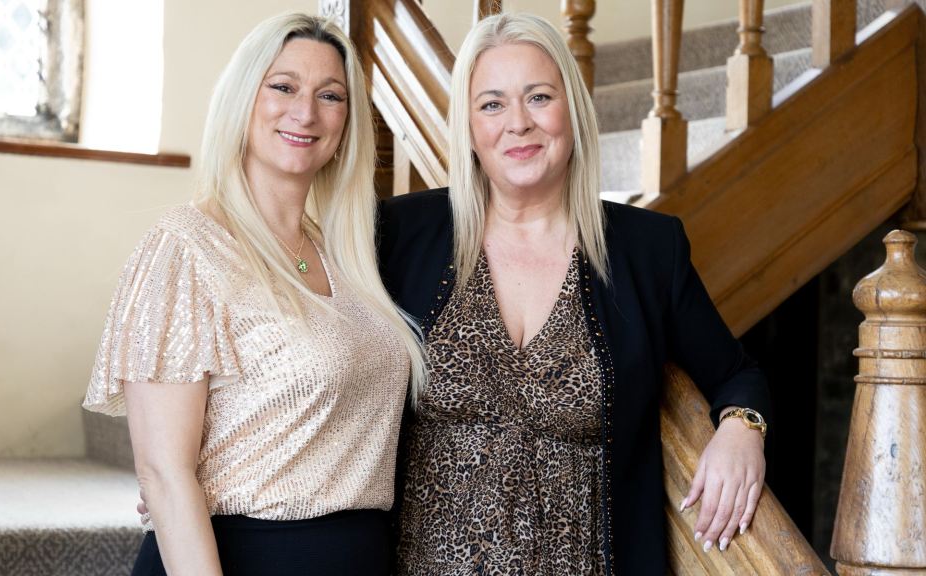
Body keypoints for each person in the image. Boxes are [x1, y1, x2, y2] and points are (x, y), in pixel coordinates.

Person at [378, 13, 770, 575]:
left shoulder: (648, 250)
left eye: (539, 97)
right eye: (492, 104)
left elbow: (738, 372)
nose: (518, 123)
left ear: (572, 111)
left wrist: (742, 429)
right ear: (467, 125)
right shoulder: (399, 235)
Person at [82, 14, 425, 576]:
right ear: (243, 98)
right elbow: (165, 474)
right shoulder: (186, 249)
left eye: (330, 95)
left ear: (348, 121)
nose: (306, 112)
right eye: (283, 86)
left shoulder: (349, 255)